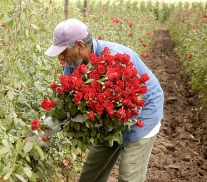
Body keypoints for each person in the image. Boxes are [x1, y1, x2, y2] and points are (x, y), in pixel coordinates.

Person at [44, 18, 164, 182]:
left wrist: (91, 120)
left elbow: (134, 106)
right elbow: (66, 103)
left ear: (79, 45)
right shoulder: (72, 65)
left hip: (142, 113)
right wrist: (42, 129)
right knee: (91, 174)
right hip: (108, 120)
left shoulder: (116, 59)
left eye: (64, 52)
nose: (61, 59)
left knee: (129, 176)